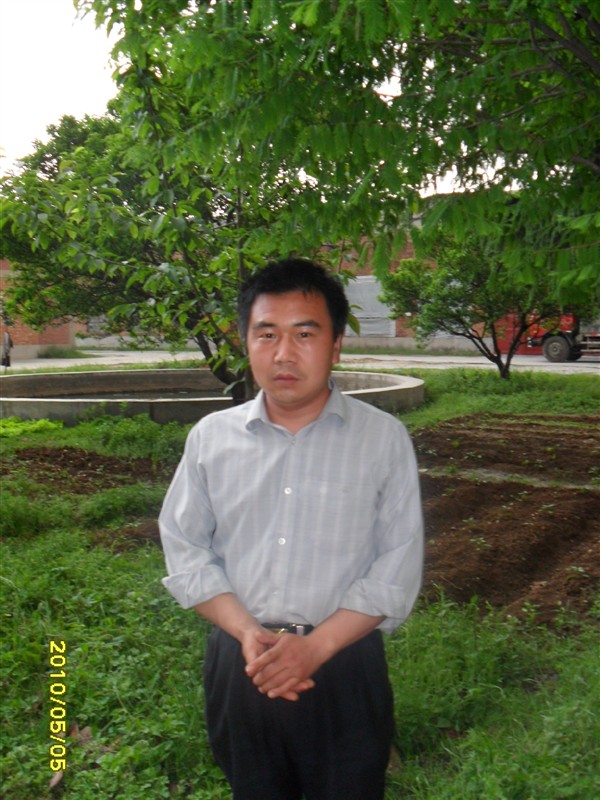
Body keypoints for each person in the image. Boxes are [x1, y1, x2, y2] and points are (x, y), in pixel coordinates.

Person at [159, 258, 424, 800]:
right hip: (243, 663)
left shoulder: (383, 439)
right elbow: (185, 549)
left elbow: (396, 566)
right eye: (267, 334)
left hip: (346, 665)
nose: (283, 354)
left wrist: (315, 648)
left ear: (336, 345)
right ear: (246, 343)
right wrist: (246, 632)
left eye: (305, 334)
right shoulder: (210, 438)